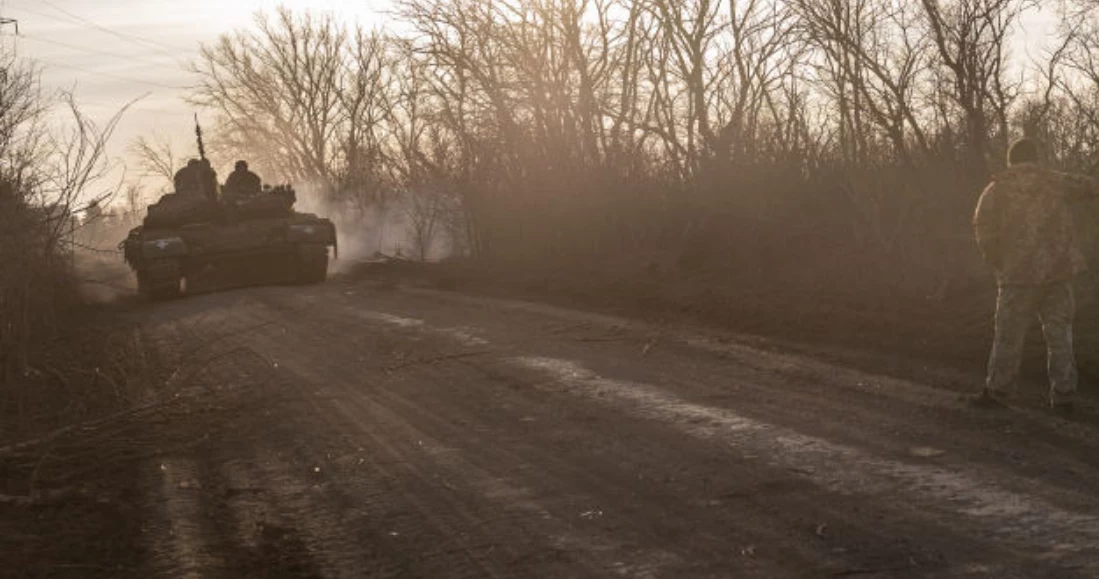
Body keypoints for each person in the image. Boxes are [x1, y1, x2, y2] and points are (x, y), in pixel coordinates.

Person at [972, 138, 1098, 414]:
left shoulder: (996, 189)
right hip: (1059, 272)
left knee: (1008, 335)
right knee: (1059, 336)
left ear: (1011, 160)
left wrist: (998, 261)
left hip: (1017, 275)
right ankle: (1064, 397)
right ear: (1035, 158)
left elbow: (982, 228)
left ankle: (998, 392)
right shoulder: (1056, 181)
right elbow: (1091, 187)